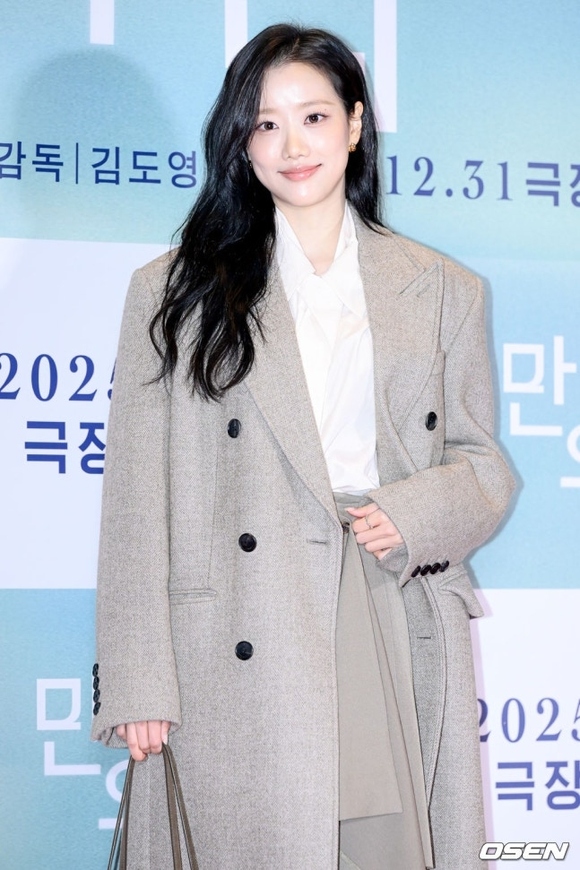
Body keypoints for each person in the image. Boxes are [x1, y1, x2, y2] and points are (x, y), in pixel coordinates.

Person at [91, 23, 515, 870]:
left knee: (381, 847)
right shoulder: (172, 293)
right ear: (240, 143)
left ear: (355, 124)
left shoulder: (444, 289)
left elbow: (483, 462)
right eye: (266, 124)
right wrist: (137, 676)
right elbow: (136, 500)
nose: (292, 146)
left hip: (382, 599)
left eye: (314, 117)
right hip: (235, 629)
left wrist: (412, 511)